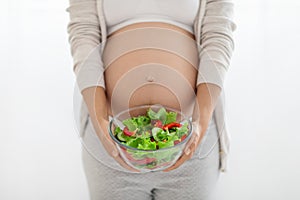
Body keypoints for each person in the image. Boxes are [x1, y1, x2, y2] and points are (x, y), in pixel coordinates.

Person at [66, 0, 236, 199]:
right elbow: (84, 33)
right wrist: (100, 122)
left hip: (192, 138)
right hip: (112, 138)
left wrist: (201, 122)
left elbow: (218, 33)